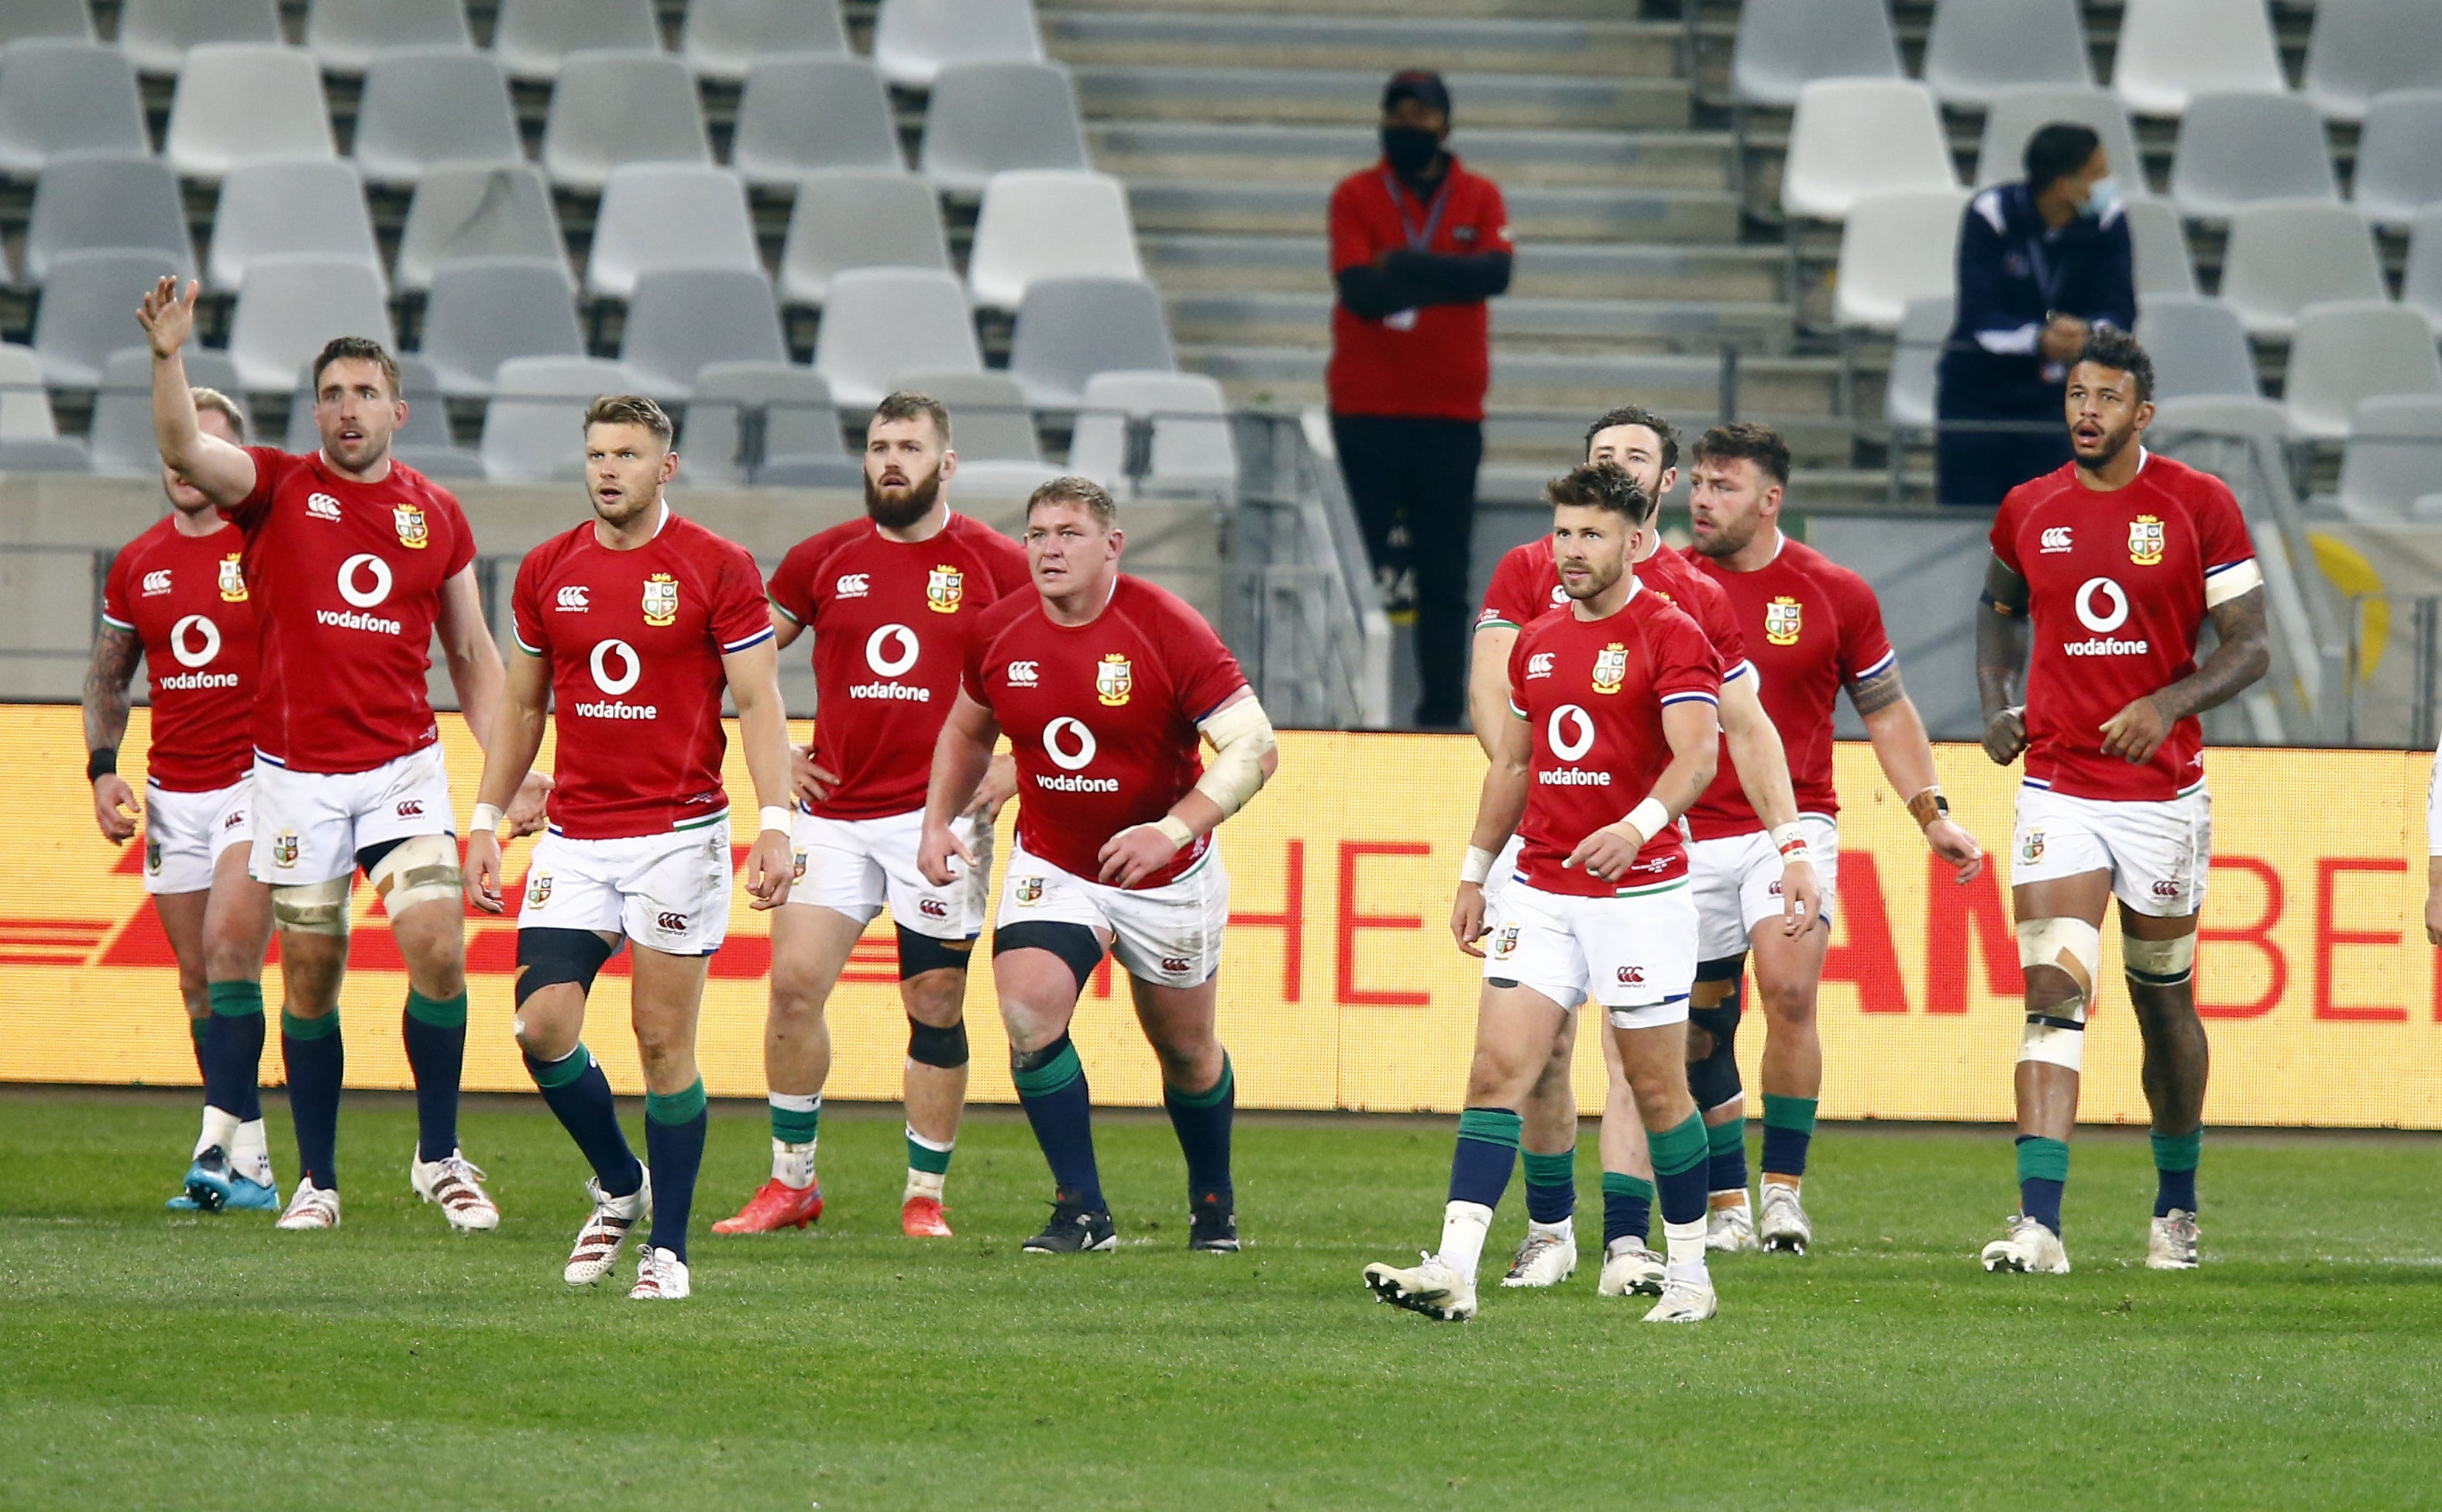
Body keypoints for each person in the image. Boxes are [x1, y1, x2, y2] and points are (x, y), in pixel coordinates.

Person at [140, 277, 549, 1234]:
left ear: (396, 410)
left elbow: (474, 657)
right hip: (292, 783)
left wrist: (508, 765)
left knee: (438, 948)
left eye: (365, 392)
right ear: (315, 409)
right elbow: (183, 447)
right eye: (332, 393)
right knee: (312, 973)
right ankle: (317, 1179)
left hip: (402, 771)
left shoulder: (437, 515)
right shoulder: (275, 486)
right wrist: (169, 358)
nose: (347, 408)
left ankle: (439, 1155)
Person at [1471, 411, 1819, 1297]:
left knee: (1644, 1057)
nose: (1612, 467)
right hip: (1545, 843)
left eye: (1634, 458)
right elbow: (1502, 716)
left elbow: (1741, 730)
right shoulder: (1530, 568)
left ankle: (1631, 1241)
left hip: (1653, 856)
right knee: (1533, 1054)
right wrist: (1535, 807)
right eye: (1600, 457)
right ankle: (1546, 1231)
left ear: (1659, 488)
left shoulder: (1691, 598)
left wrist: (1791, 841)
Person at [1367, 463, 1725, 1324]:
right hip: (1540, 888)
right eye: (1561, 532)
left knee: (1654, 1087)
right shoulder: (1536, 639)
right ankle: (1455, 1266)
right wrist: (1473, 868)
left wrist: (1636, 825)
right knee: (1498, 1071)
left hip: (1640, 894)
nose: (1569, 549)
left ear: (1634, 540)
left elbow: (1697, 756)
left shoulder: (1669, 633)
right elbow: (1515, 763)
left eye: (1590, 533)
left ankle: (1687, 1275)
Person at [465, 396, 796, 1301]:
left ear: (665, 466)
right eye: (597, 453)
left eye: (628, 454)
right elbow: (524, 706)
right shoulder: (546, 569)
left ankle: (670, 1249)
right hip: (575, 835)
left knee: (662, 1044)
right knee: (541, 1028)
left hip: (677, 837)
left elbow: (759, 705)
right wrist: (485, 818)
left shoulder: (716, 566)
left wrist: (775, 820)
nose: (608, 468)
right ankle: (621, 1183)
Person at [920, 476, 1279, 1255]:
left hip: (1167, 876)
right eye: (1037, 533)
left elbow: (1254, 746)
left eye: (1068, 533)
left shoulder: (1166, 626)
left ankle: (1212, 1199)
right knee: (1027, 1010)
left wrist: (1171, 829)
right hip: (1056, 861)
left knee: (1185, 1050)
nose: (1048, 548)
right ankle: (1082, 1209)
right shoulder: (996, 629)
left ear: (1111, 545)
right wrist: (935, 822)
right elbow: (965, 730)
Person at [1974, 330, 2266, 1274]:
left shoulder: (2197, 505)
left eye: (2105, 397)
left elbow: (2249, 643)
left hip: (2162, 795)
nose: (2084, 411)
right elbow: (1997, 607)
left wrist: (2166, 701)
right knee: (2053, 988)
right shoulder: (2027, 506)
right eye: (2074, 394)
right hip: (2060, 784)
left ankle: (2174, 1205)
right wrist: (1995, 704)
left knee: (2160, 1000)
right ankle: (2037, 1224)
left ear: (2141, 413)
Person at [714, 391, 1029, 1240]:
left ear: (946, 463)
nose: (892, 460)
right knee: (791, 986)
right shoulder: (820, 559)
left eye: (910, 447)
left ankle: (923, 1193)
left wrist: (1016, 765)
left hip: (939, 819)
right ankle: (791, 1183)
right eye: (879, 446)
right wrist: (778, 761)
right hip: (835, 814)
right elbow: (735, 671)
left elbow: (1057, 673)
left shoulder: (996, 562)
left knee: (932, 997)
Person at [1685, 422, 1986, 1254]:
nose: (1702, 499)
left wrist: (1931, 813)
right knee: (1701, 1028)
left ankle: (1781, 1191)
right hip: (1686, 829)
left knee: (1787, 989)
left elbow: (1885, 709)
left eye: (1723, 486)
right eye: (1699, 483)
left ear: (1769, 499)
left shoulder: (1833, 592)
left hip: (1791, 825)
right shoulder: (1665, 585)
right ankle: (1724, 1204)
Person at [87, 387, 277, 1211]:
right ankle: (255, 1170)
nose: (187, 457)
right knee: (199, 982)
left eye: (207, 444)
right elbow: (106, 676)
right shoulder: (138, 562)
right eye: (177, 441)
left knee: (233, 952)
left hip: (259, 779)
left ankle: (209, 1144)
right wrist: (101, 766)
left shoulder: (270, 547)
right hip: (174, 791)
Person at [1328, 67, 1513, 728]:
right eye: (1398, 112)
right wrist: (1450, 279)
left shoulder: (1480, 194)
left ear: (1446, 122)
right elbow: (1359, 292)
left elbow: (1496, 273)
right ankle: (1345, 710)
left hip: (1449, 420)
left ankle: (1441, 718)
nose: (1411, 125)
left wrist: (1401, 263)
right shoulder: (1354, 194)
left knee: (1445, 582)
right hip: (1365, 416)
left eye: (1423, 113)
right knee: (1360, 575)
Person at [1937, 123, 2135, 509]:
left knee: (2051, 527)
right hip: (1979, 397)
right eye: (2097, 174)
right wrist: (2039, 339)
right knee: (1968, 525)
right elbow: (1980, 318)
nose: (2108, 183)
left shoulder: (2109, 218)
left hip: (2058, 402)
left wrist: (2086, 335)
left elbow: (2121, 309)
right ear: (2064, 185)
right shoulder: (1991, 214)